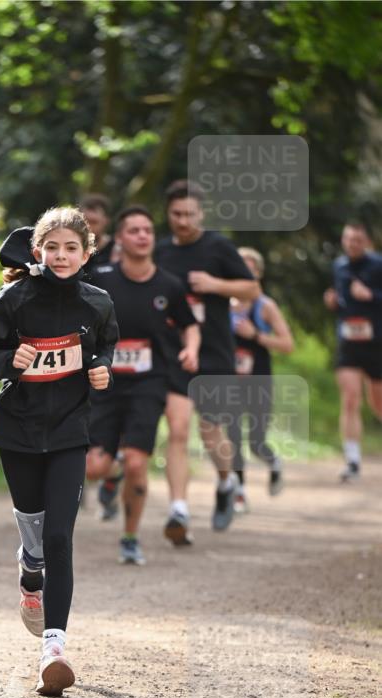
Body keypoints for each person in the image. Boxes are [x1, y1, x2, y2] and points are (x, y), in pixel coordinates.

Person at [0, 208, 118, 697]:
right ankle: (28, 571)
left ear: (86, 254)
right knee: (34, 530)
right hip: (18, 428)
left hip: (70, 431)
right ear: (38, 252)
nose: (60, 255)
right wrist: (9, 360)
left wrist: (102, 371)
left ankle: (53, 649)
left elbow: (105, 347)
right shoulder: (16, 297)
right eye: (51, 247)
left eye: (70, 248)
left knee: (59, 537)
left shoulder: (97, 303)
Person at [85, 206, 199, 565]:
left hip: (150, 382)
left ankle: (130, 537)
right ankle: (112, 473)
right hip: (105, 380)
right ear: (120, 239)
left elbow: (189, 324)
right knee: (94, 468)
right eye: (133, 230)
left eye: (148, 230)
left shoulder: (169, 284)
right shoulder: (101, 279)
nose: (142, 235)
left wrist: (192, 349)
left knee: (138, 463)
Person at [154, 180, 258, 545]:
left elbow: (251, 290)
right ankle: (178, 510)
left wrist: (214, 284)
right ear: (168, 214)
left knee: (211, 431)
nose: (183, 221)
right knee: (179, 430)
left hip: (214, 352)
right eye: (176, 214)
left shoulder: (218, 247)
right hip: (176, 354)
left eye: (190, 215)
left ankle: (227, 481)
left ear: (202, 214)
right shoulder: (161, 251)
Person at [229, 247, 294, 512]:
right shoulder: (222, 305)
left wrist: (255, 335)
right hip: (229, 380)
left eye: (249, 268)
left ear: (258, 274)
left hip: (258, 379)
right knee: (232, 434)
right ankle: (239, 492)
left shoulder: (265, 306)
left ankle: (274, 462)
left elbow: (287, 344)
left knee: (256, 440)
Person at [324, 222, 382, 481]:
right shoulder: (338, 266)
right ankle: (353, 461)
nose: (352, 244)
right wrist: (333, 301)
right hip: (348, 341)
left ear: (366, 242)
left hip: (377, 342)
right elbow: (343, 301)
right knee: (349, 398)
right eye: (348, 239)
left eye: (357, 240)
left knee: (378, 403)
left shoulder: (378, 265)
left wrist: (372, 295)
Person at [80, 193, 119, 273]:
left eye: (94, 222)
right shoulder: (72, 248)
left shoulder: (117, 249)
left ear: (106, 221)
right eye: (84, 222)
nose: (88, 227)